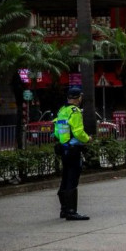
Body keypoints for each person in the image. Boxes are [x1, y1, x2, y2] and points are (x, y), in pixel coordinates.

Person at [54, 87, 91, 220]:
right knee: (72, 180)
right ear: (78, 97)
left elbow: (57, 131)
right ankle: (71, 211)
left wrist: (63, 142)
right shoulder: (75, 111)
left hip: (64, 148)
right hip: (74, 149)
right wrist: (88, 139)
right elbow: (78, 132)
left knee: (65, 178)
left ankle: (64, 210)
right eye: (81, 96)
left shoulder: (62, 110)